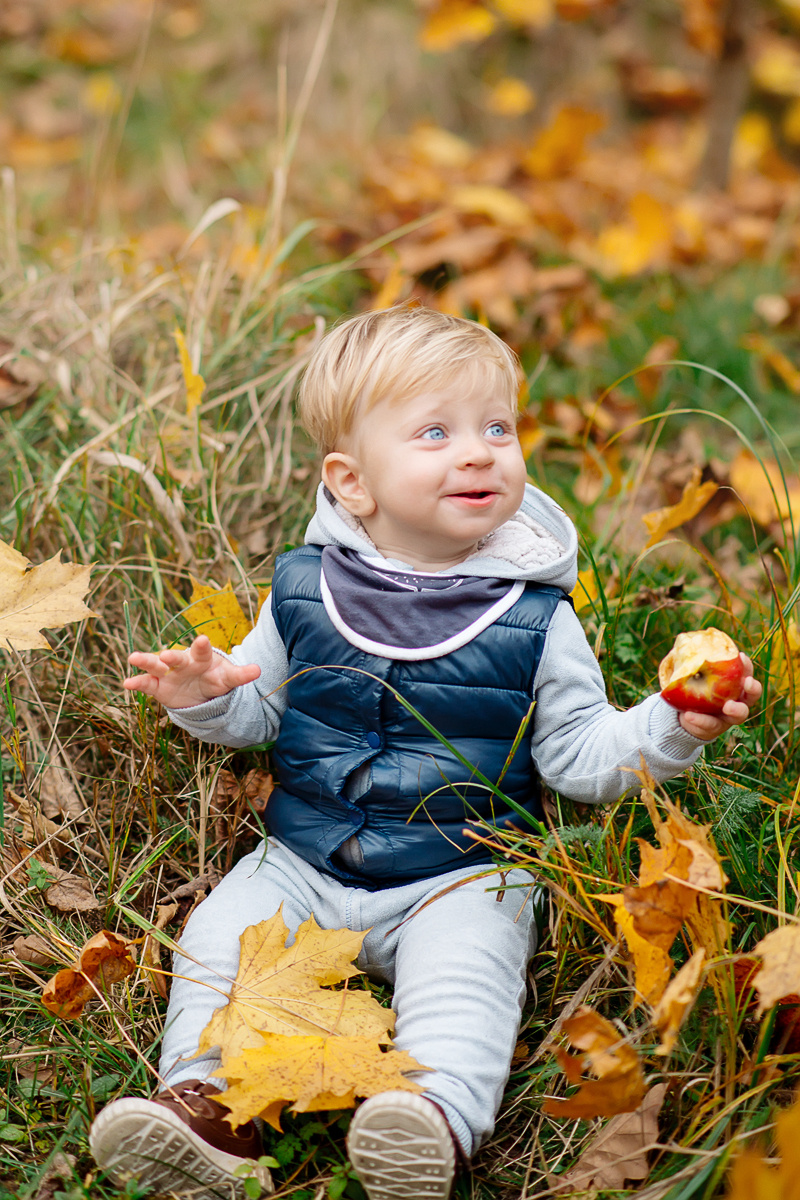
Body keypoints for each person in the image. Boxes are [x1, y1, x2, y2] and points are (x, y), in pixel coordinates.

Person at [89, 306, 761, 1200]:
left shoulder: (532, 617)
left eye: (497, 428)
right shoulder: (304, 587)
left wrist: (669, 724)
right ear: (352, 481)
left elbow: (575, 754)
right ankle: (211, 1104)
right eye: (436, 432)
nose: (479, 451)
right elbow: (262, 713)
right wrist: (207, 697)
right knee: (224, 939)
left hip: (461, 866)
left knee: (467, 970)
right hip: (302, 857)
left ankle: (432, 1115)